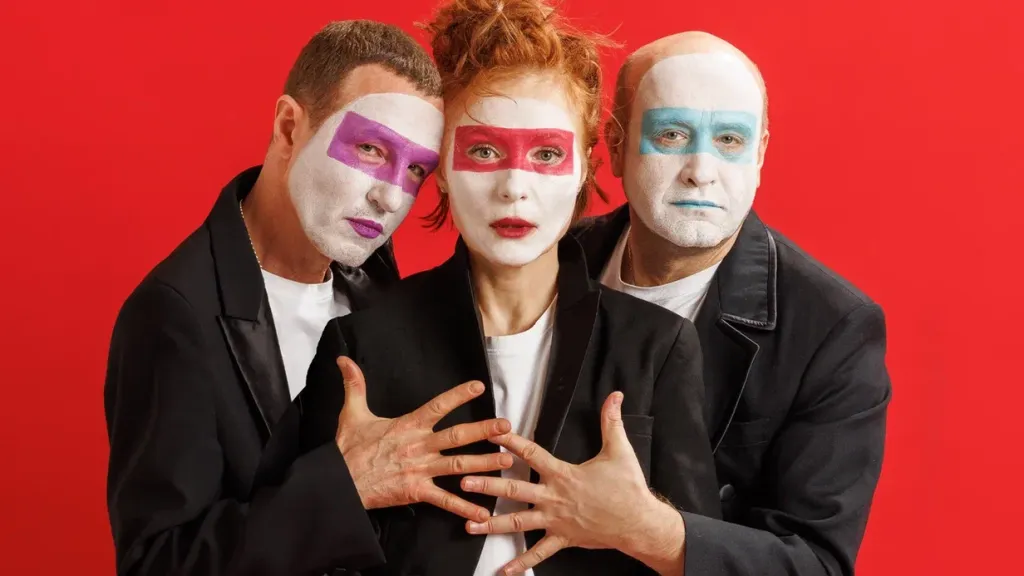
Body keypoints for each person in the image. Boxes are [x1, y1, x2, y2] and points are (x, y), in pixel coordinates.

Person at [293, 1, 722, 575]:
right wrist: (340, 488)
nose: (514, 186)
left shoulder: (657, 347)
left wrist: (645, 527)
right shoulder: (361, 344)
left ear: (584, 169)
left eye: (546, 154)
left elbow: (701, 557)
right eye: (484, 150)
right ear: (443, 168)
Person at [104, 20, 514, 576]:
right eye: (370, 148)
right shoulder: (174, 314)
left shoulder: (377, 281)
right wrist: (345, 487)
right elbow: (157, 564)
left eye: (416, 169)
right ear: (289, 127)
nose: (392, 196)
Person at [565, 31, 892, 575]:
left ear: (760, 153)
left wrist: (649, 532)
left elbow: (817, 564)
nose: (701, 169)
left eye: (730, 140)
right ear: (616, 146)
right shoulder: (556, 261)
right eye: (672, 134)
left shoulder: (831, 329)